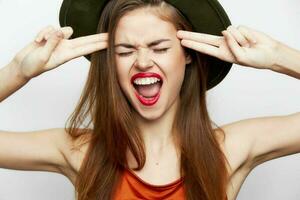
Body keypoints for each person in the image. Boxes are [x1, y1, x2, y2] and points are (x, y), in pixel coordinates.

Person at [0, 0, 299, 199]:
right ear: (110, 62)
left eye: (159, 48)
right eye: (125, 51)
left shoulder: (231, 149)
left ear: (188, 56)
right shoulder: (79, 151)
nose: (143, 62)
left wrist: (278, 58)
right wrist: (18, 71)